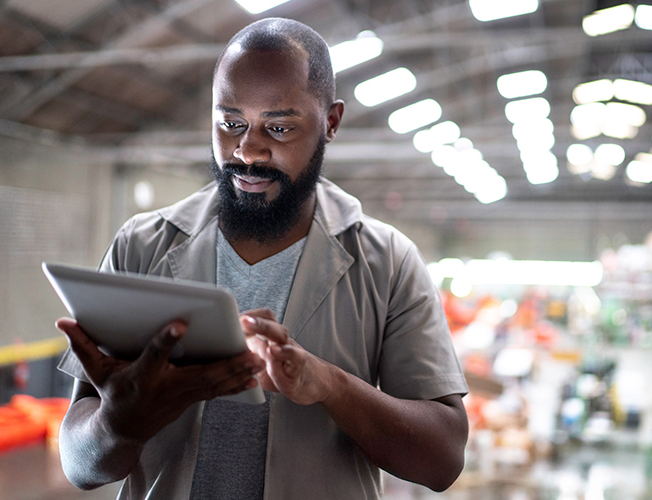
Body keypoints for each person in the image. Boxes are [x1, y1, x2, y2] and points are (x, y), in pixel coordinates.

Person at [54, 17, 469, 500]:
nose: (247, 150)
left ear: (331, 122)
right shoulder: (142, 246)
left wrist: (330, 386)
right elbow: (80, 467)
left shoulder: (388, 263)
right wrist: (117, 423)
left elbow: (442, 461)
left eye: (279, 126)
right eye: (230, 123)